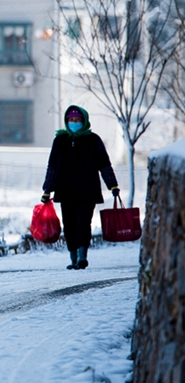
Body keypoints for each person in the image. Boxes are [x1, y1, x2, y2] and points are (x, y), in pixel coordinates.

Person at [41, 105, 119, 270]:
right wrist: (47, 190)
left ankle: (82, 256)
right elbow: (52, 167)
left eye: (77, 120)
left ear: (84, 121)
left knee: (83, 223)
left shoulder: (93, 140)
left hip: (87, 191)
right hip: (65, 191)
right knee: (69, 225)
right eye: (71, 120)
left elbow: (104, 164)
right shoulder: (60, 141)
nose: (74, 123)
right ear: (66, 121)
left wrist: (112, 185)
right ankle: (73, 257)